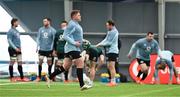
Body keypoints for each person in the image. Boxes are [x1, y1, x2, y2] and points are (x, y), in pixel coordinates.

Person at [47, 10, 91, 90]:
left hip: (72, 48)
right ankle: (82, 85)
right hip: (72, 48)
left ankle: (50, 76)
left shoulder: (75, 24)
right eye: (78, 15)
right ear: (74, 16)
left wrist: (83, 40)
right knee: (80, 62)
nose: (80, 16)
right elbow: (65, 36)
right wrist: (74, 43)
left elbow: (74, 36)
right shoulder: (71, 24)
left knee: (65, 67)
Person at [96, 20, 119, 87]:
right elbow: (106, 39)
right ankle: (112, 80)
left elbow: (109, 42)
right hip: (110, 51)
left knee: (111, 66)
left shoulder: (114, 32)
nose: (106, 26)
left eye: (107, 25)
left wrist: (100, 45)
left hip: (113, 51)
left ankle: (113, 82)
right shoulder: (110, 31)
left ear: (111, 25)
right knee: (109, 66)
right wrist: (100, 43)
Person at [35, 17, 56, 82]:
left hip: (49, 49)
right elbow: (38, 38)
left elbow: (54, 40)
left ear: (49, 22)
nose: (44, 22)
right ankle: (38, 77)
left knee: (49, 63)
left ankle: (49, 77)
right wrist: (37, 46)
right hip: (41, 49)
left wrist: (53, 49)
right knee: (40, 62)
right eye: (43, 21)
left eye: (45, 21)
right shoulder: (40, 29)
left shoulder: (53, 30)